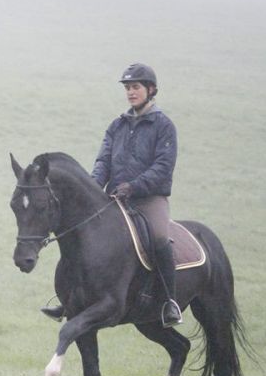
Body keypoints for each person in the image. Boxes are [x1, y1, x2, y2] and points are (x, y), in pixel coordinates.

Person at [42, 62, 182, 327]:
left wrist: (135, 185)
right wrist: (93, 188)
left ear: (150, 90)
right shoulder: (117, 125)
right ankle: (70, 298)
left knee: (161, 238)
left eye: (136, 87)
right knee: (82, 236)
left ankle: (169, 302)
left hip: (149, 199)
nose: (131, 92)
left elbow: (163, 167)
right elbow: (103, 160)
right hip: (115, 197)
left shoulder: (163, 126)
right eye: (128, 88)